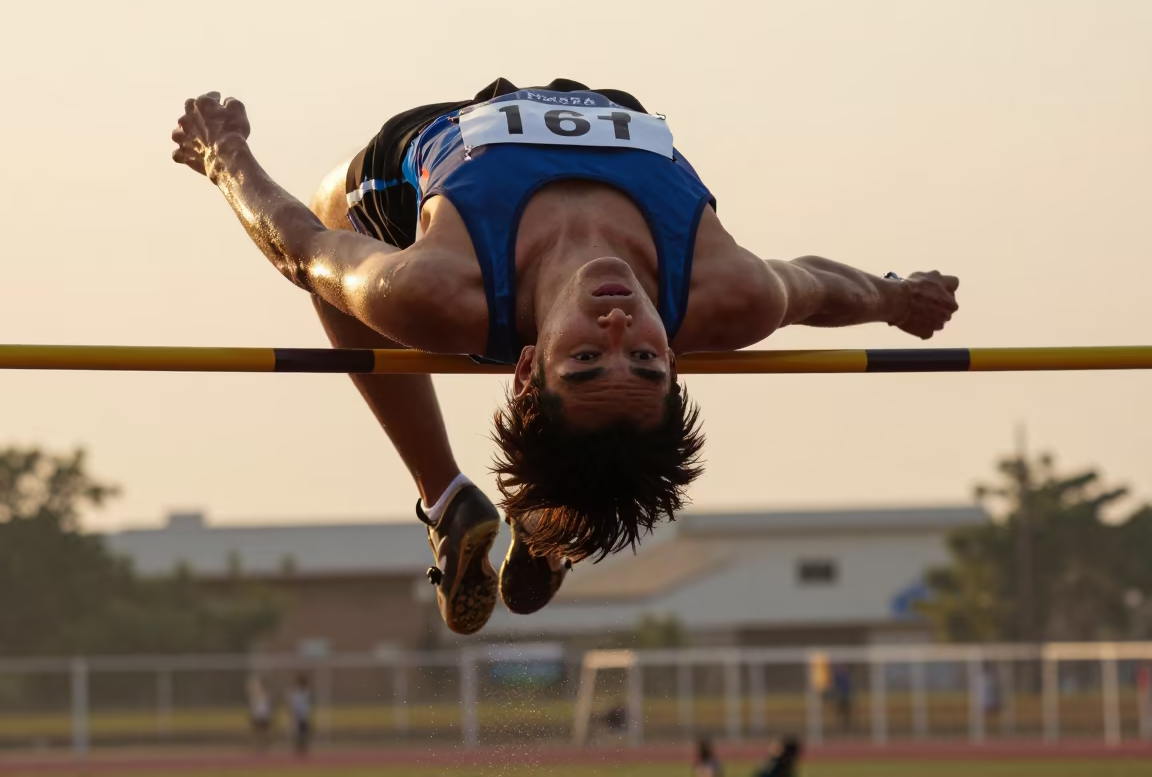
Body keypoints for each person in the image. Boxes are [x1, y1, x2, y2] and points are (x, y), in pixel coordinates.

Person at [172, 79, 960, 636]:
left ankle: (446, 497)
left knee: (340, 261)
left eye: (585, 358)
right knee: (597, 452)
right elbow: (819, 288)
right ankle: (548, 528)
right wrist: (894, 298)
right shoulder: (727, 293)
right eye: (647, 362)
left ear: (524, 368)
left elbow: (305, 250)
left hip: (441, 138)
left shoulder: (442, 291)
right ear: (677, 362)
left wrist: (225, 157)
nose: (620, 326)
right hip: (604, 108)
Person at [288, 675, 312, 757]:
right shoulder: (296, 693)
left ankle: (303, 748)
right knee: (297, 733)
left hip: (304, 715)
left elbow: (305, 704)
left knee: (304, 733)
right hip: (297, 715)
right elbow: (293, 704)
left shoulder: (306, 692)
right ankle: (298, 748)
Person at [245, 674, 272, 750]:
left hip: (265, 715)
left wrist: (269, 714)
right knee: (257, 732)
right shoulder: (256, 694)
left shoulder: (267, 694)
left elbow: (268, 706)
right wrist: (252, 713)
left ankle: (264, 746)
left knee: (265, 732)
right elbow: (253, 703)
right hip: (258, 714)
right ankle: (257, 746)